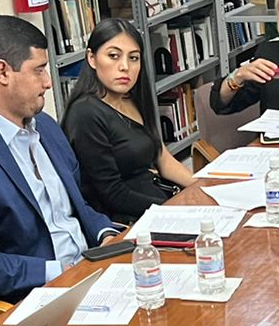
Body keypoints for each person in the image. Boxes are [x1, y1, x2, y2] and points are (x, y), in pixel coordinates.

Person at [0, 15, 122, 302]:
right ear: (2, 72)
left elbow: (75, 207)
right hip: (41, 296)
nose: (48, 82)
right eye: (38, 70)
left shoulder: (46, 127)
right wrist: (61, 271)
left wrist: (106, 234)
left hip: (91, 270)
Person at [60, 18, 194, 223]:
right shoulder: (85, 113)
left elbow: (163, 159)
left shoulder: (132, 97)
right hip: (126, 220)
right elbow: (112, 195)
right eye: (113, 56)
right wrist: (175, 210)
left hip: (158, 203)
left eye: (133, 58)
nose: (125, 67)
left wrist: (203, 188)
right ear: (92, 58)